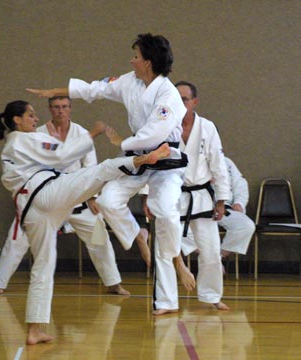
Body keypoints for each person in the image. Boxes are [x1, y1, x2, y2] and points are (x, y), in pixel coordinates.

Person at [26, 33, 187, 315]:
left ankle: (171, 279)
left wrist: (120, 143)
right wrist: (56, 92)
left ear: (148, 62)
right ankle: (139, 236)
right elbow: (95, 89)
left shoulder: (168, 95)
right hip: (138, 158)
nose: (131, 60)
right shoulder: (130, 81)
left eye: (136, 56)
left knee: (163, 209)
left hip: (166, 159)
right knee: (109, 201)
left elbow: (155, 134)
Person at [0, 100, 170, 344]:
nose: (35, 118)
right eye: (30, 115)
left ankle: (35, 329)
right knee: (102, 170)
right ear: (17, 120)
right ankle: (143, 159)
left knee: (43, 266)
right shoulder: (22, 139)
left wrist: (59, 144)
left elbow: (58, 158)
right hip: (46, 193)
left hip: (33, 208)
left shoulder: (19, 143)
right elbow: (62, 155)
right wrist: (93, 133)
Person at [0, 96, 129, 296]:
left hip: (75, 196)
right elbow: (57, 158)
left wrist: (91, 196)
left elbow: (88, 165)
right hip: (43, 197)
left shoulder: (76, 133)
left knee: (100, 236)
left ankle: (113, 282)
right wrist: (93, 133)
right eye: (56, 107)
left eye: (64, 107)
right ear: (50, 109)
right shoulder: (34, 135)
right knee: (18, 240)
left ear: (70, 109)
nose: (60, 111)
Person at [168, 81, 230, 310]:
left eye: (185, 99)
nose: (181, 103)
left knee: (212, 250)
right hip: (172, 196)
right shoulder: (164, 125)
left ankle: (211, 295)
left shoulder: (207, 127)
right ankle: (166, 300)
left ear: (195, 102)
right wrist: (147, 196)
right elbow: (152, 163)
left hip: (201, 196)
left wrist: (222, 199)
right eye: (177, 98)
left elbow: (218, 165)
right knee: (165, 250)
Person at [181, 156, 256, 260]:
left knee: (246, 225)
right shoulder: (187, 161)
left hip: (225, 209)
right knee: (178, 228)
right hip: (195, 210)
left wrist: (239, 203)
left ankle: (219, 257)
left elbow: (240, 184)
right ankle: (206, 256)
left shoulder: (226, 162)